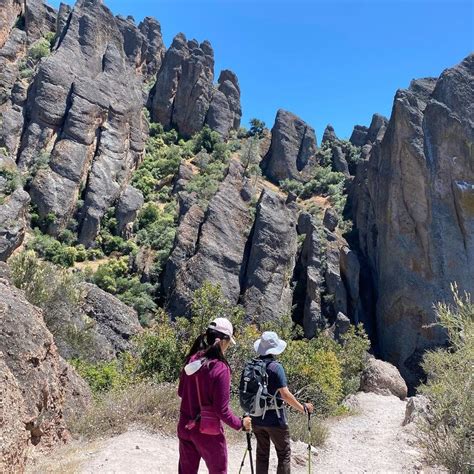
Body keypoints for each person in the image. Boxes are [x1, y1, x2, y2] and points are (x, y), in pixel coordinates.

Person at [178, 317, 252, 474]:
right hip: (208, 432)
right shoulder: (220, 369)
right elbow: (221, 410)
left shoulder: (192, 359)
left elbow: (181, 392)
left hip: (185, 426)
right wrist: (241, 424)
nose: (228, 347)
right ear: (223, 341)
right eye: (228, 343)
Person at [251, 331, 314, 474]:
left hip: (256, 417)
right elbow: (285, 395)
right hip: (275, 419)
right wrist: (302, 408)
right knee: (284, 454)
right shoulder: (276, 367)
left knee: (262, 454)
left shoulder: (253, 366)